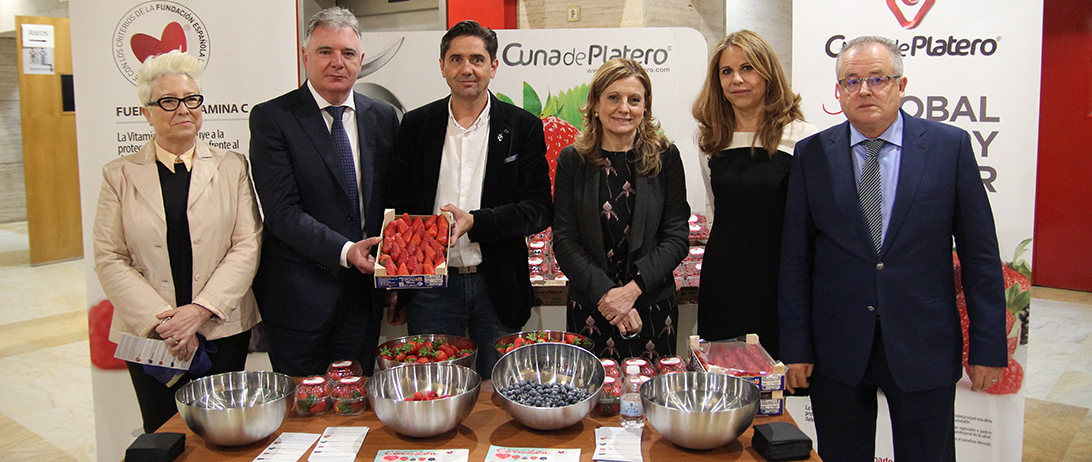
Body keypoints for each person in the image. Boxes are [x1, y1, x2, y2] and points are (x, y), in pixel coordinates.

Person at [778, 36, 1007, 462]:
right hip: (838, 347)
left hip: (924, 343)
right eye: (851, 81)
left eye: (877, 79)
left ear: (901, 86)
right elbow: (796, 260)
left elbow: (980, 255)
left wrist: (989, 345)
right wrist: (795, 347)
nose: (864, 90)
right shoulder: (811, 154)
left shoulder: (948, 148)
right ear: (838, 92)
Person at [93, 50, 262, 433]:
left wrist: (199, 311)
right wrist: (166, 324)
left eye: (191, 100)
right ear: (147, 112)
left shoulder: (232, 166)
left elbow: (246, 246)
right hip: (151, 335)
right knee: (163, 433)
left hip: (221, 328)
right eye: (168, 101)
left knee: (224, 433)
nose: (183, 109)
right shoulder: (117, 175)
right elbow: (109, 257)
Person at [386, 20, 552, 375]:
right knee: (433, 385)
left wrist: (477, 222)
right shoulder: (416, 126)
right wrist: (398, 285)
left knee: (502, 388)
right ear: (443, 66)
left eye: (477, 59)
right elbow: (398, 205)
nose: (467, 69)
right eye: (456, 59)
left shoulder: (523, 126)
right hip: (430, 287)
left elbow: (538, 209)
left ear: (493, 66)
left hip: (498, 286)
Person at [249, 7, 398, 376]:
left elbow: (391, 203)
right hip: (298, 299)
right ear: (305, 56)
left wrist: (397, 276)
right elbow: (281, 212)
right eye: (325, 51)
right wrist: (346, 251)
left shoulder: (382, 116)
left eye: (348, 54)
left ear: (361, 60)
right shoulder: (273, 118)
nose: (337, 63)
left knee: (354, 409)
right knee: (302, 414)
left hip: (363, 299)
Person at [553, 58, 690, 362]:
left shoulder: (666, 157)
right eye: (613, 97)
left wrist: (631, 291)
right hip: (590, 306)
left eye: (634, 99)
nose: (624, 108)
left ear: (646, 107)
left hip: (651, 307)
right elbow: (564, 241)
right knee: (591, 402)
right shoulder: (572, 160)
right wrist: (607, 295)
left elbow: (677, 236)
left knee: (650, 401)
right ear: (596, 103)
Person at [691, 30, 817, 359]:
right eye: (727, 71)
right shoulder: (709, 139)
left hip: (781, 280)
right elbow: (717, 209)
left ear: (768, 73)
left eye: (748, 68)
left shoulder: (802, 137)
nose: (737, 80)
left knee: (780, 381)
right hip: (725, 277)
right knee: (724, 378)